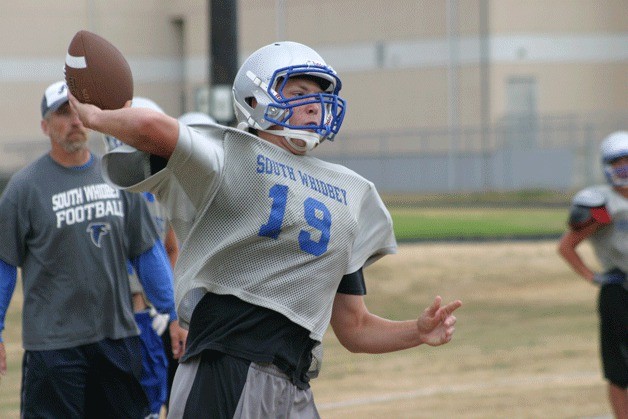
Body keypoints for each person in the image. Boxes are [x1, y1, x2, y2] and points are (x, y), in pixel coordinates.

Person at [69, 41, 462, 418]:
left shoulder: (351, 193)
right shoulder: (232, 155)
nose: (314, 104)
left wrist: (417, 331)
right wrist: (95, 118)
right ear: (256, 99)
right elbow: (154, 125)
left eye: (319, 94)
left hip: (295, 382)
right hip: (227, 362)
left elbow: (354, 326)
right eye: (300, 91)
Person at [0, 80, 184, 418]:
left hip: (116, 339)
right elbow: (4, 265)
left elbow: (147, 253)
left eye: (78, 111)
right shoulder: (24, 188)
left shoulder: (118, 177)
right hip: (53, 348)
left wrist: (174, 314)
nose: (74, 120)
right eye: (62, 113)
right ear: (44, 126)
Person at [104, 97, 187, 418]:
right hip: (119, 316)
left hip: (158, 315)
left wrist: (169, 306)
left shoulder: (163, 188)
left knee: (161, 397)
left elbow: (170, 248)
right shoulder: (108, 191)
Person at [558, 131, 628, 419]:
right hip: (620, 290)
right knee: (620, 370)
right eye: (618, 162)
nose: (624, 168)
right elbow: (568, 246)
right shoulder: (603, 207)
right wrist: (593, 276)